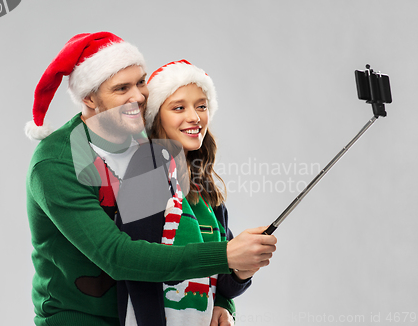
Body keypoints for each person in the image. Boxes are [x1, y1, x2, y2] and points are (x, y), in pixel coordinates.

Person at [25, 32, 277, 326]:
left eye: (141, 82)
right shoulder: (58, 162)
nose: (139, 96)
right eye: (122, 88)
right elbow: (117, 256)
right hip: (79, 318)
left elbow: (201, 225)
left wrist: (222, 300)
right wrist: (226, 255)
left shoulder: (151, 145)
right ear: (89, 98)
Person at [117, 60, 258, 326]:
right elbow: (136, 265)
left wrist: (242, 272)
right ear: (157, 116)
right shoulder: (145, 166)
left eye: (201, 106)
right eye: (179, 107)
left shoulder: (205, 192)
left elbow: (219, 281)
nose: (195, 117)